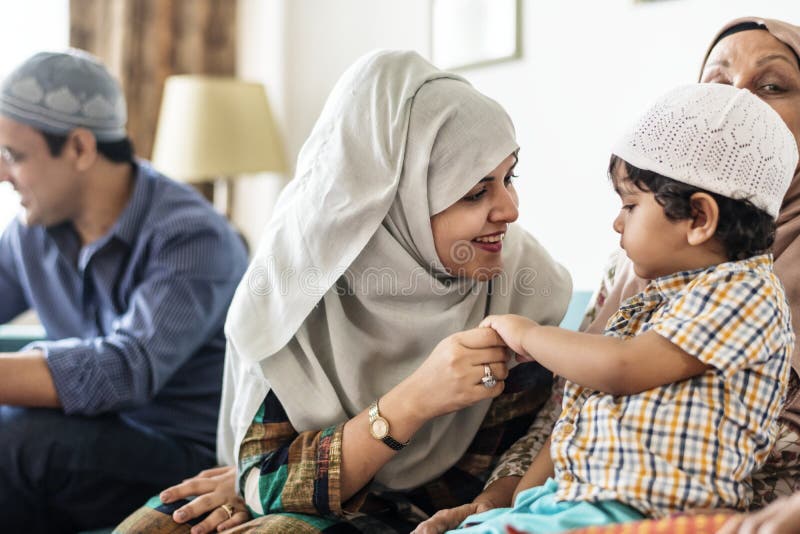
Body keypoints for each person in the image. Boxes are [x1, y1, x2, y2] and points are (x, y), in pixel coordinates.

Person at [115, 49, 573, 534]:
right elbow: (261, 479)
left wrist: (287, 487)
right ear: (397, 201)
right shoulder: (299, 279)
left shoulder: (525, 287)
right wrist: (415, 398)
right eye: (476, 192)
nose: (511, 209)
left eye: (510, 178)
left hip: (413, 514)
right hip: (313, 493)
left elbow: (495, 468)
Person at [417, 16, 800, 534]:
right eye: (716, 85)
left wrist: (531, 336)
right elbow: (575, 406)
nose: (739, 102)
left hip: (655, 509)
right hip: (578, 494)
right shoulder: (648, 276)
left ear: (701, 217)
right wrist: (508, 499)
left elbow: (621, 367)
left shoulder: (743, 292)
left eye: (771, 86)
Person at [0, 49, 249, 532]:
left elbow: (124, 370)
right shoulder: (30, 232)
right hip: (93, 440)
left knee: (23, 440)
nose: (2, 175)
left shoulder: (194, 237)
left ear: (79, 148)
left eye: (14, 156)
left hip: (186, 457)